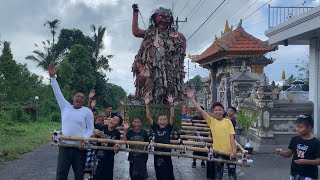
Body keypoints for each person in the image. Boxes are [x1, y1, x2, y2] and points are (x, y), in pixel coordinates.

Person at [131, 4, 186, 104]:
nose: (164, 20)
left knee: (169, 95)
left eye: (167, 18)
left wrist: (180, 65)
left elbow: (183, 42)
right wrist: (135, 12)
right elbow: (136, 31)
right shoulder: (150, 33)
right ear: (155, 18)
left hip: (169, 73)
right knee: (148, 92)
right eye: (161, 17)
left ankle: (167, 115)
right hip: (151, 70)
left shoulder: (177, 36)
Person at [48, 63, 94, 180]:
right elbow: (57, 92)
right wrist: (53, 77)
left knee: (79, 175)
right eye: (77, 96)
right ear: (73, 97)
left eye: (82, 98)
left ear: (84, 101)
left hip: (79, 148)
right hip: (64, 147)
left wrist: (85, 139)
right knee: (61, 175)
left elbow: (90, 128)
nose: (79, 98)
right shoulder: (65, 107)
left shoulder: (87, 111)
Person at [186, 88, 237, 180]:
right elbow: (201, 111)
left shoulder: (228, 121)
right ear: (213, 112)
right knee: (218, 175)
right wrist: (192, 99)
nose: (218, 112)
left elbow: (232, 138)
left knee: (232, 176)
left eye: (220, 110)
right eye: (216, 110)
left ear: (223, 111)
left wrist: (234, 151)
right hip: (218, 152)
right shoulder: (211, 121)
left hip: (230, 152)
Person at [275, 115, 320, 180]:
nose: (297, 129)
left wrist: (306, 162)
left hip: (309, 175)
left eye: (300, 127)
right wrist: (280, 152)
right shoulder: (294, 139)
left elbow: (318, 161)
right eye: (297, 126)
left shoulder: (316, 143)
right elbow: (288, 154)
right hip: (295, 174)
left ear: (309, 128)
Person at [145, 94, 175, 180]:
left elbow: (172, 117)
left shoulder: (168, 128)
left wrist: (171, 104)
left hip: (167, 154)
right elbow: (148, 117)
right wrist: (147, 105)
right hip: (157, 155)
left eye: (165, 119)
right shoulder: (156, 128)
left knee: (169, 173)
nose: (163, 121)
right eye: (160, 120)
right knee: (159, 173)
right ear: (157, 121)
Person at [94, 114, 122, 180]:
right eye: (113, 118)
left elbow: (116, 149)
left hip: (109, 158)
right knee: (96, 176)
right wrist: (96, 132)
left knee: (107, 176)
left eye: (116, 120)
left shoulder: (117, 133)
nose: (113, 120)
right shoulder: (102, 127)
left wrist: (117, 148)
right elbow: (94, 138)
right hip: (98, 156)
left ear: (118, 125)